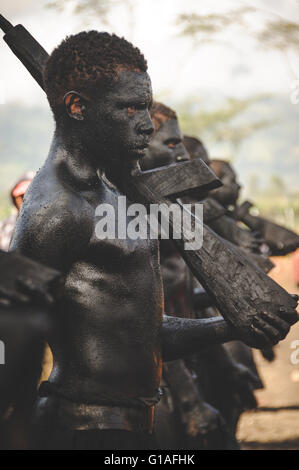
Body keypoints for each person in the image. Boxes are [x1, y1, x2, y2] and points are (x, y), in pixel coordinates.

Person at [10, 32, 297, 450]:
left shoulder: (117, 199)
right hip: (81, 430)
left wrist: (229, 327)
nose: (146, 123)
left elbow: (143, 334)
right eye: (129, 108)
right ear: (77, 107)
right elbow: (12, 338)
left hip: (134, 425)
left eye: (146, 106)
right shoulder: (57, 211)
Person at [0, 173, 34, 251]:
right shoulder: (3, 227)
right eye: (22, 196)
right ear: (15, 198)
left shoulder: (51, 225)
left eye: (30, 194)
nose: (26, 199)